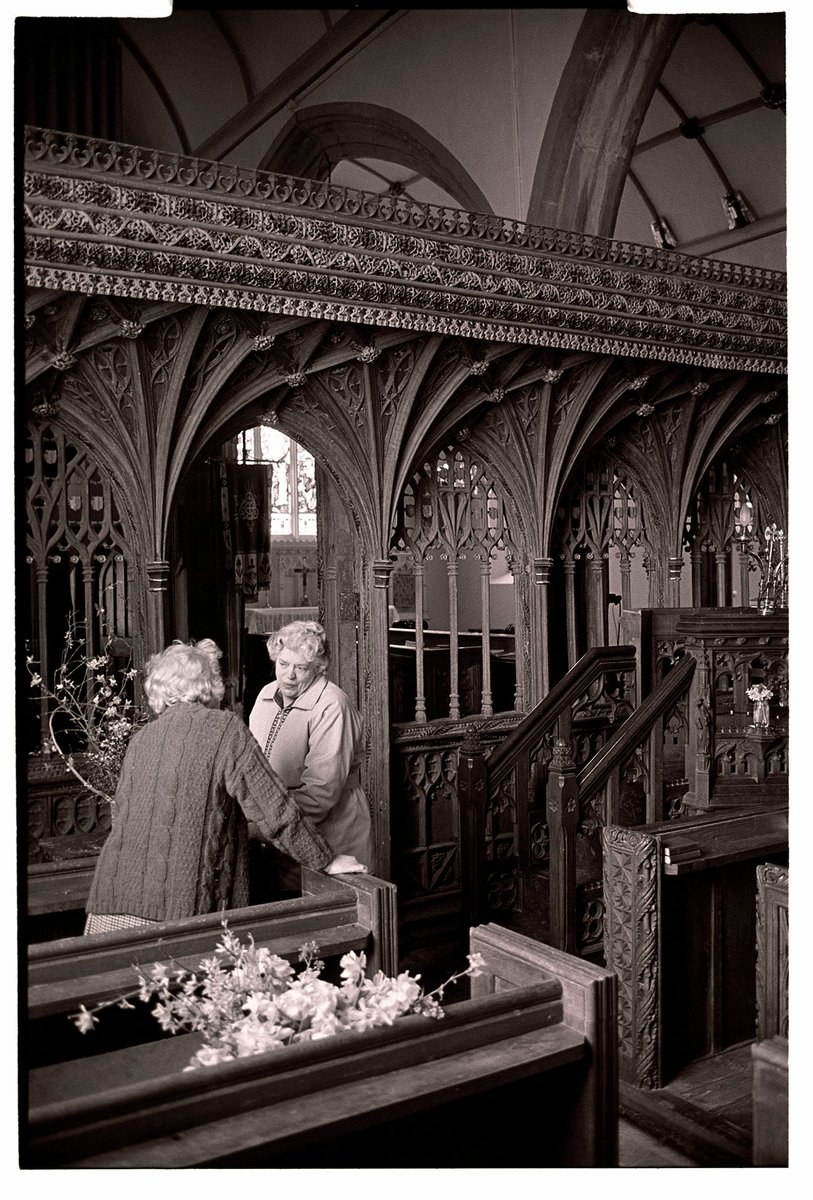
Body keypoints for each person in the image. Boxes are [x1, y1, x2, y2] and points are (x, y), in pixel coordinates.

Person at [84, 639, 365, 935]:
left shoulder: (142, 737)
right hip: (179, 913)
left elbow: (121, 816)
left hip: (110, 904)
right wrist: (325, 859)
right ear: (210, 685)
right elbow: (275, 810)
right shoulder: (224, 729)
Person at [249, 621, 372, 880]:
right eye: (282, 664)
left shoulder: (332, 705)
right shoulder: (265, 695)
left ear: (318, 668)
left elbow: (320, 794)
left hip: (328, 836)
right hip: (278, 830)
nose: (288, 675)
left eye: (300, 667)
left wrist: (261, 826)